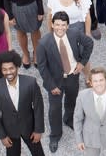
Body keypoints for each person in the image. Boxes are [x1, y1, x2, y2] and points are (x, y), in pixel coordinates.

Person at [36, 11, 93, 153]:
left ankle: (68, 119)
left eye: (63, 25)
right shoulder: (44, 43)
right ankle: (55, 135)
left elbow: (89, 43)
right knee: (54, 109)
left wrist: (82, 63)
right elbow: (42, 68)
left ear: (67, 25)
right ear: (52, 25)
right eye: (57, 25)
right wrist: (51, 86)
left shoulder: (74, 34)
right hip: (55, 81)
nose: (60, 28)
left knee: (72, 100)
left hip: (73, 75)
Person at [0, 50, 45, 156]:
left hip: (29, 128)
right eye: (4, 69)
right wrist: (2, 136)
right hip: (9, 131)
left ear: (17, 67)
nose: (8, 72)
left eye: (11, 68)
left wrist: (38, 130)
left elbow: (38, 107)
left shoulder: (31, 83)